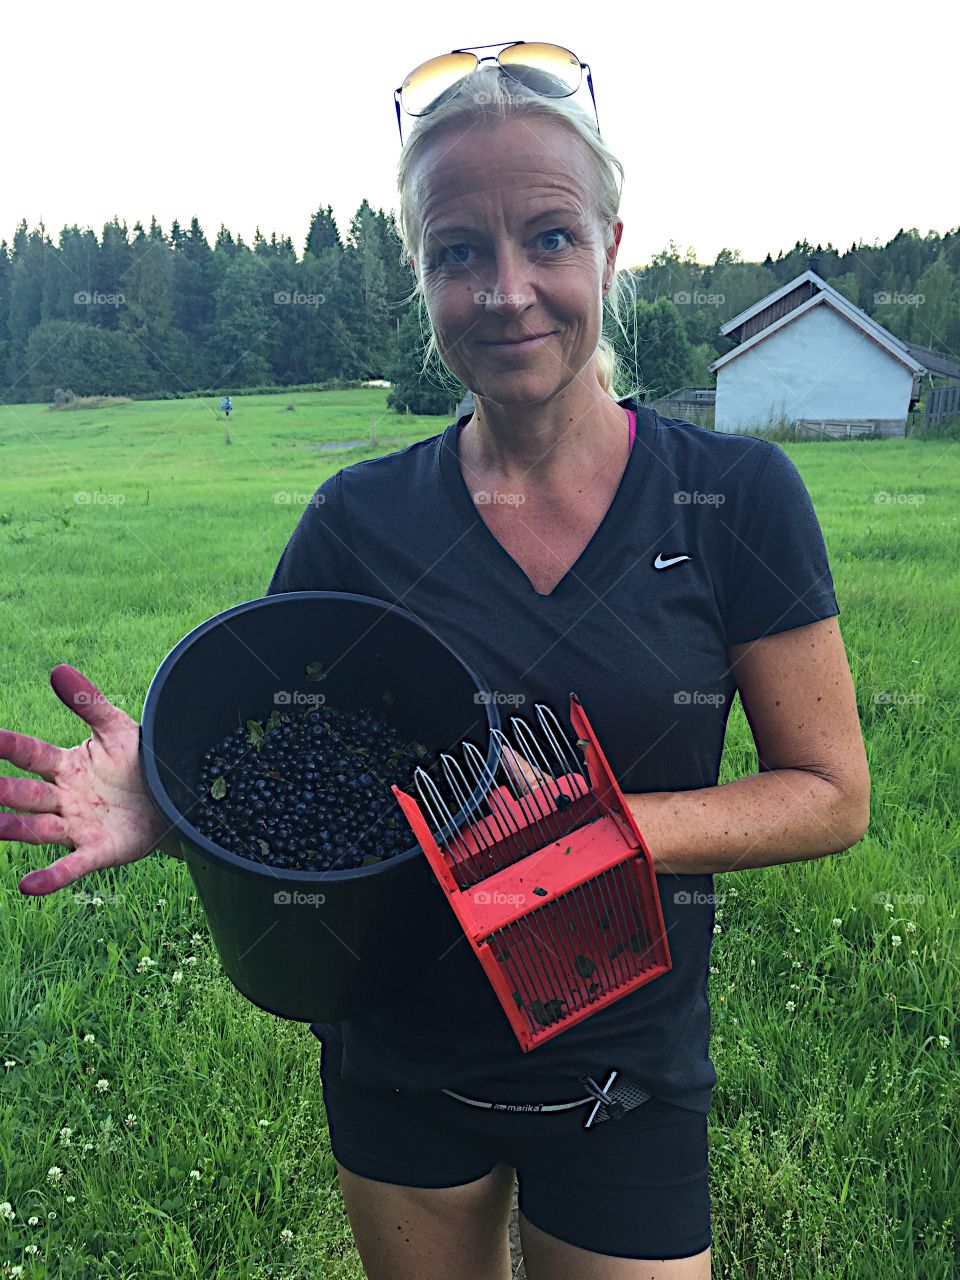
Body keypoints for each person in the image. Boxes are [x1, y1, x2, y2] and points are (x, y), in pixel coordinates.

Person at [1, 48, 870, 1280]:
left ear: (613, 247)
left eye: (551, 238)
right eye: (461, 250)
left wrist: (594, 827)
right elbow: (286, 753)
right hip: (399, 1046)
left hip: (625, 1057)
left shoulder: (734, 498)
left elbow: (831, 792)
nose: (509, 290)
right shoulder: (357, 520)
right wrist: (177, 795)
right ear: (422, 276)